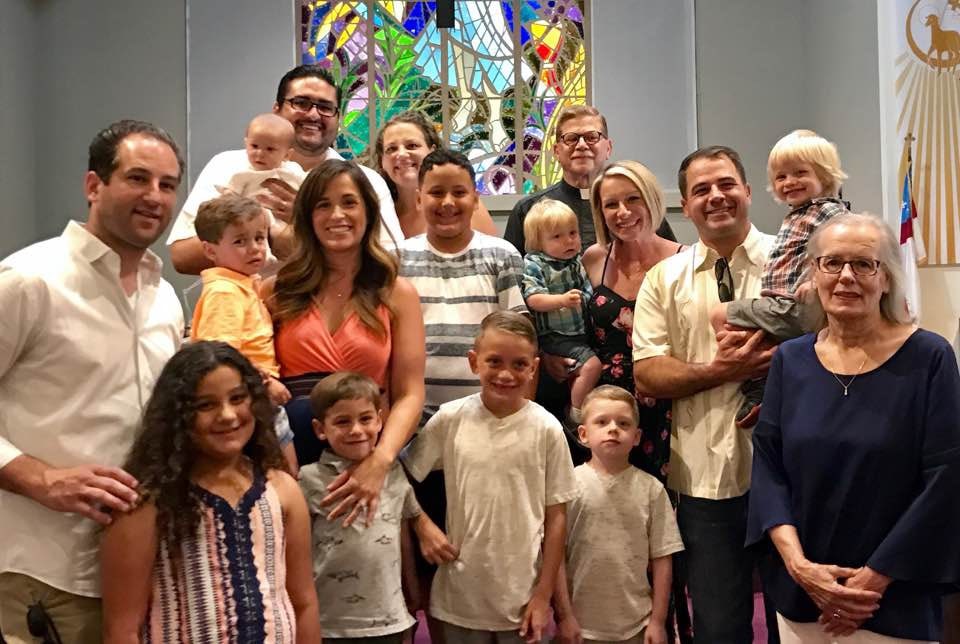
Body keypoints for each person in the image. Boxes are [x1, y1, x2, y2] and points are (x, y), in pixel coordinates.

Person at [0, 120, 184, 643]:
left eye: (167, 185)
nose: (154, 197)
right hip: (50, 570)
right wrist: (40, 478)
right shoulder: (29, 281)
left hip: (147, 572)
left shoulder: (164, 297)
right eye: (138, 178)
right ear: (93, 186)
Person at [747, 213, 960, 643]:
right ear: (813, 274)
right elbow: (768, 469)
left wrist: (872, 582)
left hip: (894, 597)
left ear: (886, 279)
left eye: (864, 264)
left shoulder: (930, 358)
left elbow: (946, 480)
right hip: (803, 593)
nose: (846, 277)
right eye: (832, 263)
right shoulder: (790, 360)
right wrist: (800, 568)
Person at [632, 145, 778, 643]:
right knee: (718, 624)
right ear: (686, 206)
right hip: (702, 475)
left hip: (788, 470)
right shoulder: (664, 278)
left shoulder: (792, 262)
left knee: (796, 620)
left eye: (726, 185)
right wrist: (722, 369)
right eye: (701, 190)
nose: (716, 197)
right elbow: (648, 374)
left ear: (748, 192)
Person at [100, 341, 321, 644]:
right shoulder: (148, 503)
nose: (228, 415)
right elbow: (122, 629)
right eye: (206, 405)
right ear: (177, 415)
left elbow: (304, 601)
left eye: (238, 398)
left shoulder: (282, 489)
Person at [399, 148, 527, 643]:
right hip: (418, 430)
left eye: (458, 192)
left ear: (475, 197)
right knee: (429, 550)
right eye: (436, 192)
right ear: (419, 196)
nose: (447, 202)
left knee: (484, 548)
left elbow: (518, 339)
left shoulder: (502, 256)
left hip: (485, 427)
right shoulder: (399, 257)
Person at [401, 311, 578, 643]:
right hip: (457, 599)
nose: (505, 374)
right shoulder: (449, 419)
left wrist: (544, 597)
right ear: (474, 362)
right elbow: (399, 478)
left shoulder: (547, 429)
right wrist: (422, 525)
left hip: (522, 603)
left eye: (519, 364)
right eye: (494, 361)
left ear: (534, 368)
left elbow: (556, 520)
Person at [267, 159, 425, 526]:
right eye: (323, 204)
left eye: (349, 202)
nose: (337, 214)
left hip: (366, 456)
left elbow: (410, 393)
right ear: (307, 217)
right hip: (289, 464)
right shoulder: (275, 292)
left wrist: (379, 462)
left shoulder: (396, 294)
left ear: (369, 213)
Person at [503, 104, 676, 428]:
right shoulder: (530, 209)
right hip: (563, 363)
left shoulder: (642, 215)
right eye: (571, 138)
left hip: (635, 360)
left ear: (607, 146)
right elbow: (516, 296)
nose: (582, 144)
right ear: (556, 150)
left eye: (592, 136)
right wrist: (543, 355)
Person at [168, 64, 403, 274]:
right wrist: (259, 230)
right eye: (301, 103)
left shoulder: (366, 181)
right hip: (242, 310)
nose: (313, 114)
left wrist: (305, 225)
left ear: (338, 118)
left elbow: (392, 263)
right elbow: (182, 257)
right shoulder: (227, 166)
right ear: (277, 109)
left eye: (325, 107)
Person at [710, 129, 850, 428]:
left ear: (825, 175)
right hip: (779, 302)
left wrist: (817, 279)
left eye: (800, 173)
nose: (789, 182)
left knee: (720, 313)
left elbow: (842, 248)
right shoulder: (799, 213)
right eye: (781, 176)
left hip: (793, 305)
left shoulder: (829, 212)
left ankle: (756, 385)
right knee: (755, 335)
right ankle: (763, 382)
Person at [301, 371, 436, 643]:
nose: (356, 430)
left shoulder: (394, 472)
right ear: (320, 429)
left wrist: (412, 593)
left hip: (390, 619)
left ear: (379, 420)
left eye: (365, 419)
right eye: (342, 421)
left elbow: (402, 535)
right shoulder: (308, 479)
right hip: (329, 622)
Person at [553, 385, 684, 644]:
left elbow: (662, 559)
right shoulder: (567, 488)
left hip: (636, 626)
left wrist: (657, 621)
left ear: (636, 437)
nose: (613, 428)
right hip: (579, 627)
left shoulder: (651, 490)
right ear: (583, 434)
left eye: (623, 423)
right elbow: (556, 557)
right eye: (601, 422)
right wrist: (564, 616)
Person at [582, 160, 685, 478]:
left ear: (651, 198)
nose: (622, 212)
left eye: (632, 199)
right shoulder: (594, 259)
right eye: (611, 204)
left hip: (668, 404)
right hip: (607, 409)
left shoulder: (686, 259)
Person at [191, 193, 290, 405]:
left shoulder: (245, 286)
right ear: (210, 250)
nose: (255, 248)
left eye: (259, 238)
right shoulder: (224, 293)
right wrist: (265, 383)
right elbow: (221, 355)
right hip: (244, 395)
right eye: (239, 241)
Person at [521, 199, 602, 428]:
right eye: (557, 237)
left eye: (573, 233)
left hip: (579, 333)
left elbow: (588, 290)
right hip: (555, 336)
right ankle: (575, 415)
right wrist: (561, 300)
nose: (569, 240)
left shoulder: (576, 261)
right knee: (592, 366)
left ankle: (575, 402)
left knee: (581, 372)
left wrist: (586, 299)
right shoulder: (535, 264)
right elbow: (533, 299)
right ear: (538, 242)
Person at [372, 110, 497, 238]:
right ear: (382, 161)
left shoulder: (462, 206)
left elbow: (493, 254)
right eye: (391, 149)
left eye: (412, 145)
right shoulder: (375, 213)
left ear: (432, 152)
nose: (402, 154)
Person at [223, 112, 306, 198]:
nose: (260, 154)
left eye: (270, 149)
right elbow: (229, 197)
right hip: (251, 210)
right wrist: (228, 194)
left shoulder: (293, 170)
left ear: (287, 155)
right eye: (254, 146)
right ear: (246, 144)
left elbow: (308, 190)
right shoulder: (242, 173)